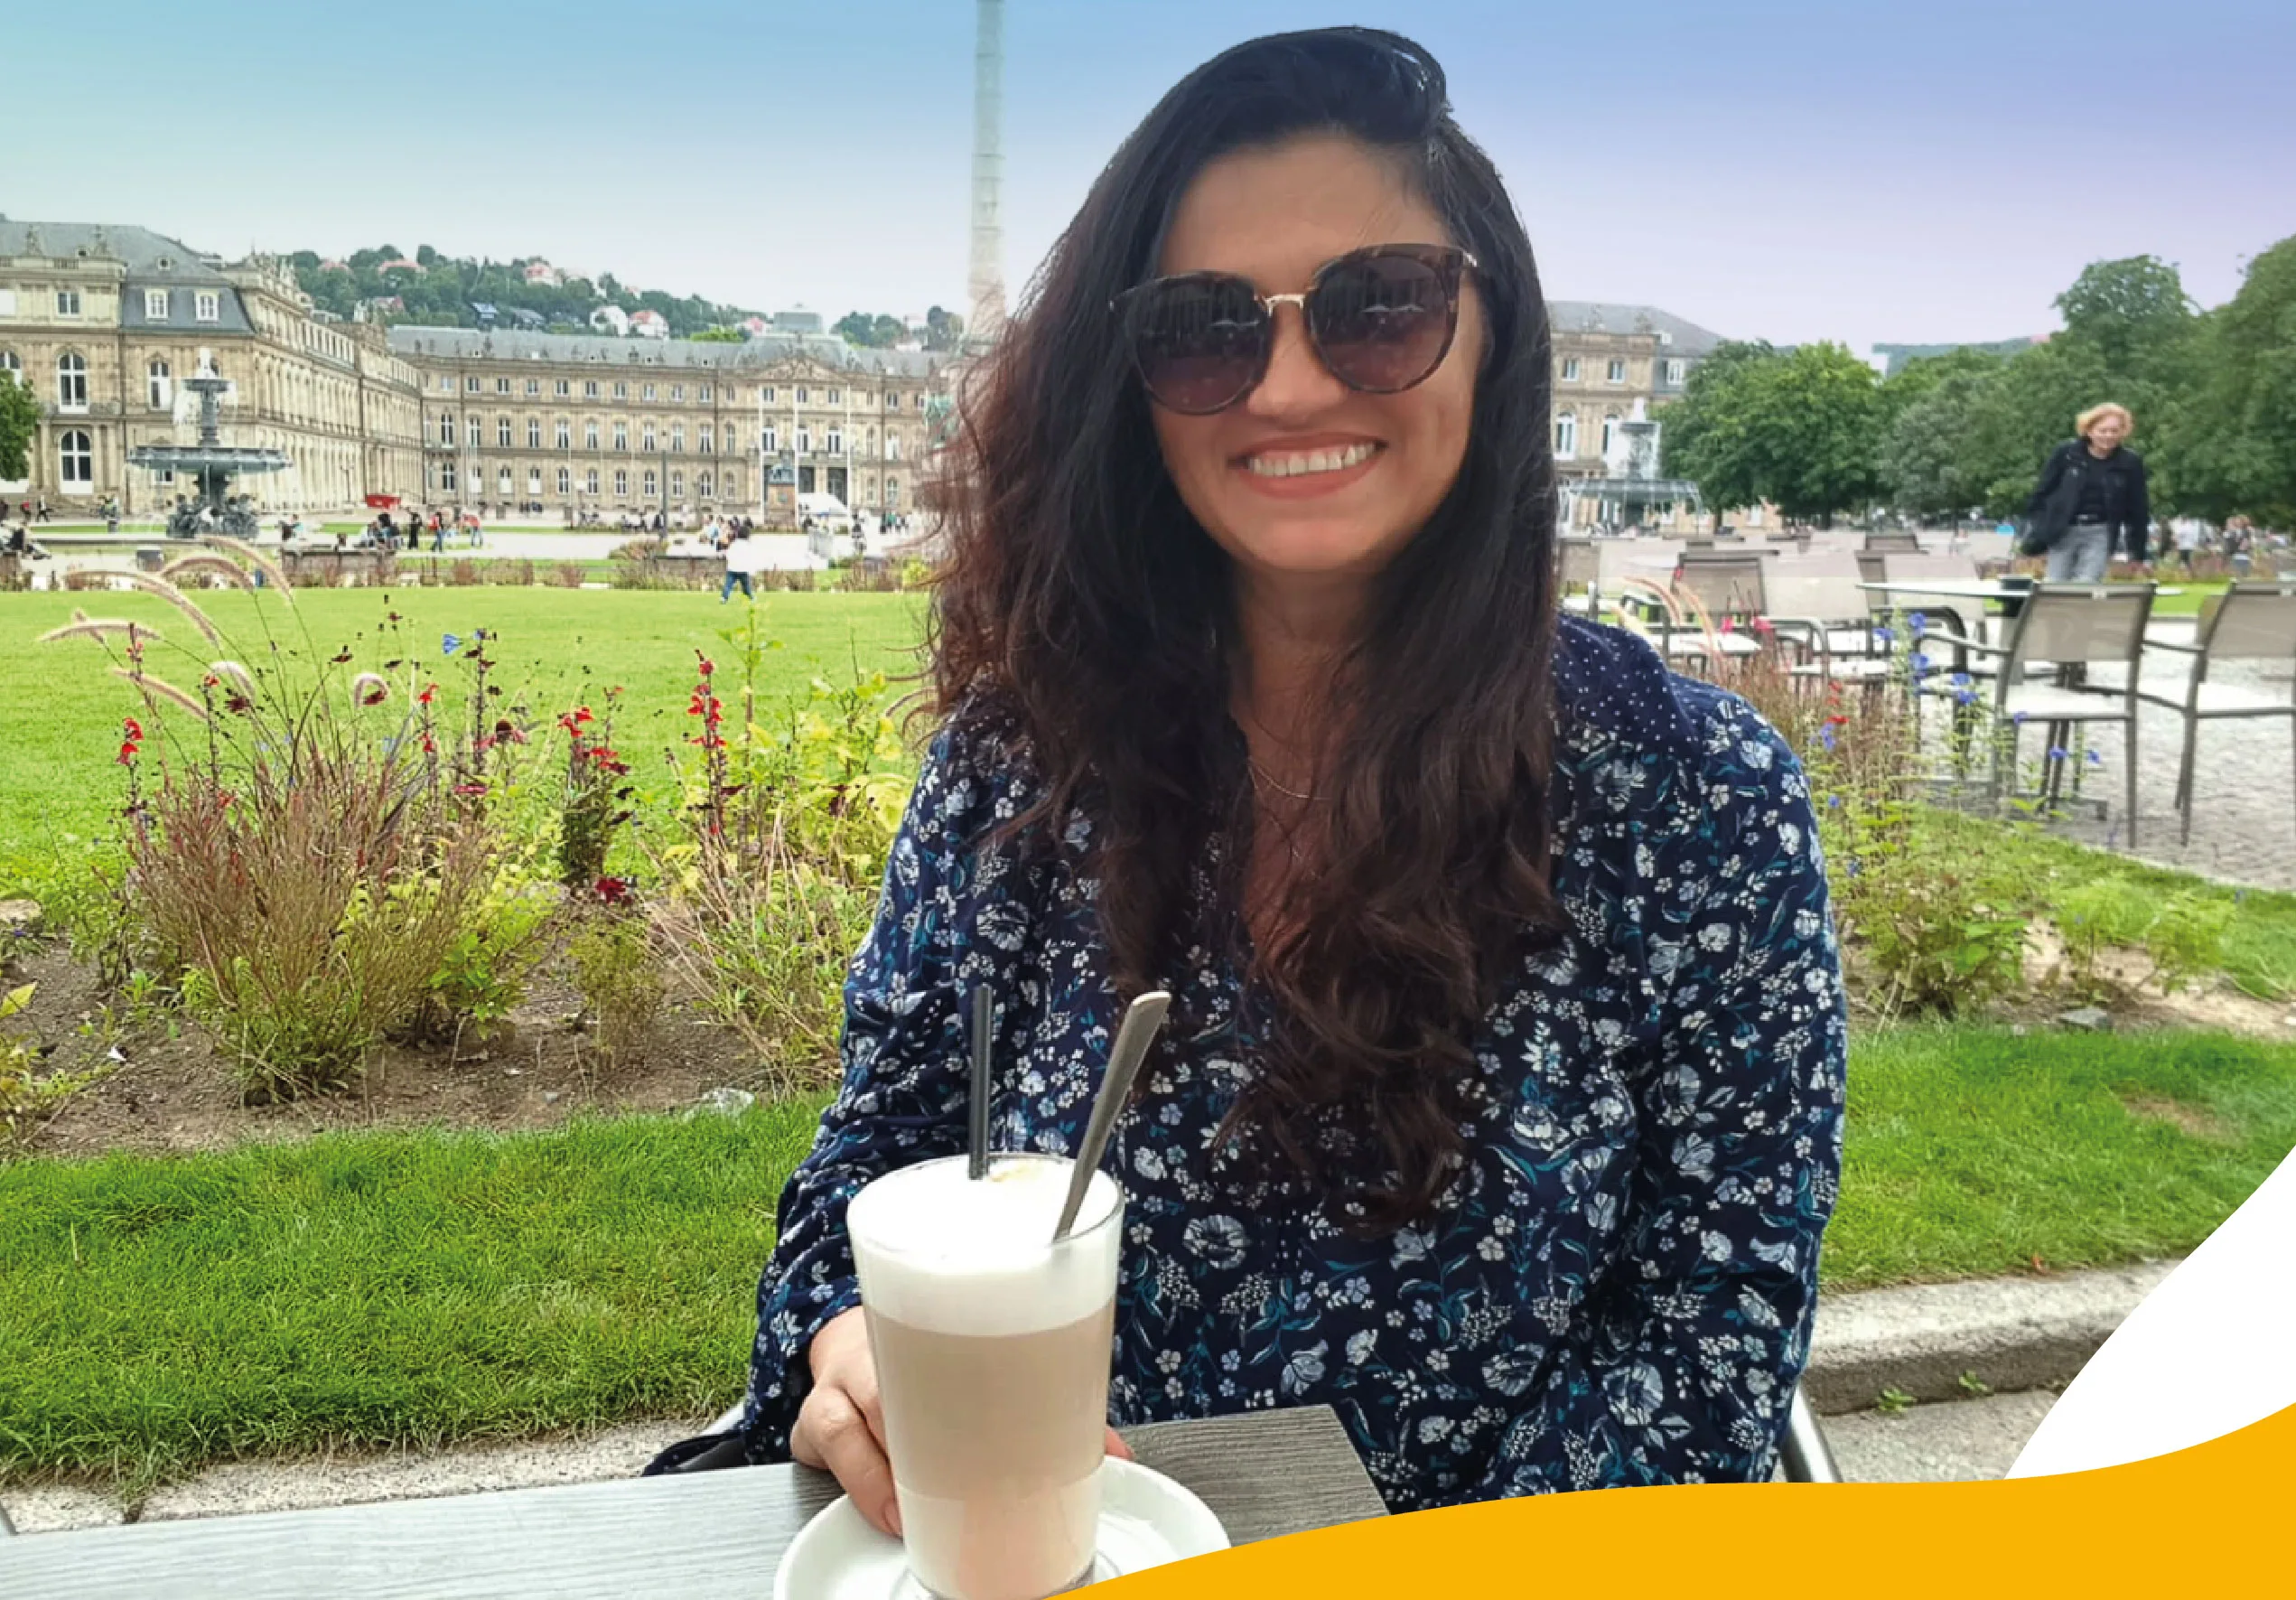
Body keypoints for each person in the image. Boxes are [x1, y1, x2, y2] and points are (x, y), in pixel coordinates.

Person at [647, 27, 1844, 1515]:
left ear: (1491, 337)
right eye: (1205, 328)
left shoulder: (1700, 801)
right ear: (1125, 388)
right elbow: (872, 1170)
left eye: (1379, 307)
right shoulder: (1020, 760)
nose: (1287, 387)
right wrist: (851, 1347)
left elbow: (1704, 1330)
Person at [2024, 403, 2151, 582]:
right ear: (2089, 430)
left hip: (2100, 531)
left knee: (2087, 584)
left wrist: (2137, 552)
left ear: (2123, 432)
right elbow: (2041, 493)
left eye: (2114, 431)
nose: (2108, 436)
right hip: (2064, 529)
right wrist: (2041, 528)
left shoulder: (2129, 462)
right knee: (2055, 584)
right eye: (2103, 430)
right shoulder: (2066, 454)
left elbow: (2138, 509)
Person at [720, 524, 760, 603]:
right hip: (743, 570)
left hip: (732, 569)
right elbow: (751, 558)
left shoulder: (734, 544)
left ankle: (724, 598)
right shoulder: (749, 546)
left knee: (728, 585)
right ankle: (751, 598)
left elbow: (728, 555)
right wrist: (752, 570)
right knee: (746, 586)